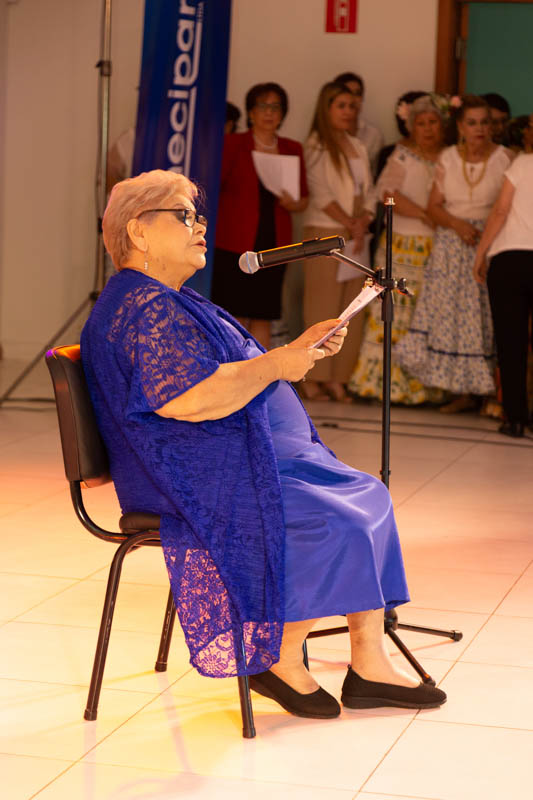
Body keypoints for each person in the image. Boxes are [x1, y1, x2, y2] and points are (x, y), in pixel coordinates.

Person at [81, 169, 446, 720]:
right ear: (138, 232)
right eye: (185, 215)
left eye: (198, 215)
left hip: (231, 458)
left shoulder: (168, 299)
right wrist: (279, 363)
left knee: (365, 493)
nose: (201, 225)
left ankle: (368, 664)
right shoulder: (143, 306)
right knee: (331, 516)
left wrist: (296, 349)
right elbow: (186, 399)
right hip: (192, 477)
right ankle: (275, 656)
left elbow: (228, 371)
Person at [395, 95, 513, 413]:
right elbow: (434, 206)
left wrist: (482, 235)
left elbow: (508, 207)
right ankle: (460, 392)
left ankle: (490, 393)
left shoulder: (505, 158)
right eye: (472, 123)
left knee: (485, 317)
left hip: (487, 242)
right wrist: (458, 225)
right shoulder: (448, 157)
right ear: (460, 127)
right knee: (451, 316)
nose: (479, 129)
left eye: (485, 123)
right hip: (451, 241)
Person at [349, 95, 445, 404]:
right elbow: (387, 194)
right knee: (394, 311)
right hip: (402, 244)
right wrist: (425, 213)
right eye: (421, 123)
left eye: (433, 123)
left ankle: (423, 388)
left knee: (423, 316)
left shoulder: (449, 156)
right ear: (411, 126)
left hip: (434, 246)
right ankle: (381, 384)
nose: (428, 129)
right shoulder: (403, 156)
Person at [211, 82, 308, 350]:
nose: (269, 112)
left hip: (274, 243)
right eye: (262, 106)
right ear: (251, 112)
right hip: (234, 242)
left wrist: (294, 202)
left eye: (275, 107)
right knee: (235, 316)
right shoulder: (232, 143)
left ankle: (261, 383)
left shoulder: (292, 148)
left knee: (264, 316)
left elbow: (304, 200)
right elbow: (213, 187)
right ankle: (234, 378)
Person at [302, 81, 376, 403]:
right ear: (327, 108)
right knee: (321, 306)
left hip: (356, 233)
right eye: (342, 105)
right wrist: (349, 224)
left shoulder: (357, 145)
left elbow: (370, 191)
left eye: (352, 106)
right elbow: (321, 194)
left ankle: (339, 377)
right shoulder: (316, 144)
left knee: (349, 310)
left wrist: (363, 222)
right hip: (325, 231)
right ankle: (312, 376)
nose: (349, 111)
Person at [473, 151, 533, 437]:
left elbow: (500, 211)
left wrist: (480, 253)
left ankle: (515, 418)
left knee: (511, 343)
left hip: (511, 260)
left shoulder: (523, 163)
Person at [334, 72, 384, 174]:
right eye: (348, 93)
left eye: (358, 94)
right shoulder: (324, 137)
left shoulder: (374, 135)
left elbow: (376, 178)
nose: (353, 99)